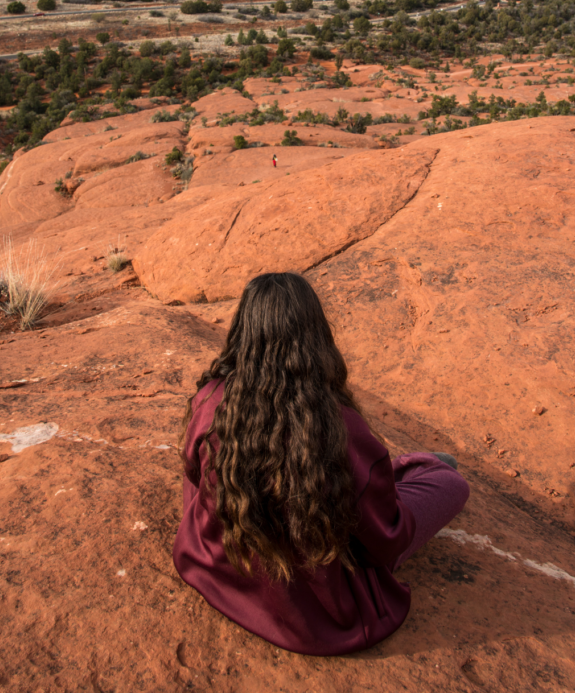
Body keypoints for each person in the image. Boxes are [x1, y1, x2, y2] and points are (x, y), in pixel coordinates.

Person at [173, 273, 469, 656]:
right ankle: (415, 467)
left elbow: (193, 477)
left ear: (243, 331)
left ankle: (400, 471)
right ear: (315, 336)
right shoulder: (338, 427)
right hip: (319, 615)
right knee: (449, 482)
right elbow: (388, 536)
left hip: (214, 566)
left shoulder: (211, 400)